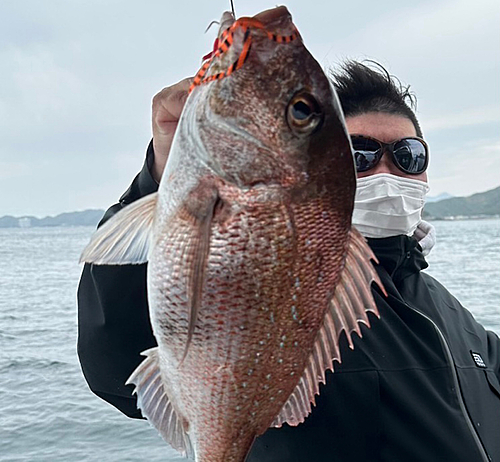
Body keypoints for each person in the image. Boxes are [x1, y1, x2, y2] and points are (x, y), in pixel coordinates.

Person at [77, 61, 500, 461]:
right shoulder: (279, 285)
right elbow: (116, 360)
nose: (388, 171)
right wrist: (163, 183)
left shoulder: (448, 310)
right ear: (316, 169)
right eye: (359, 155)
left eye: (409, 155)